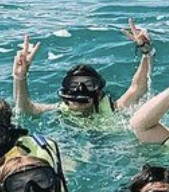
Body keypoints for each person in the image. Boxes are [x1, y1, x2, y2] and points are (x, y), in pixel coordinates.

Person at [12, 22, 154, 120]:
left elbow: (137, 88)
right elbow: (26, 109)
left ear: (98, 92)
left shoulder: (113, 109)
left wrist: (146, 52)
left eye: (89, 84)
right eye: (73, 84)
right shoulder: (60, 109)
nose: (81, 89)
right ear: (66, 92)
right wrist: (20, 77)